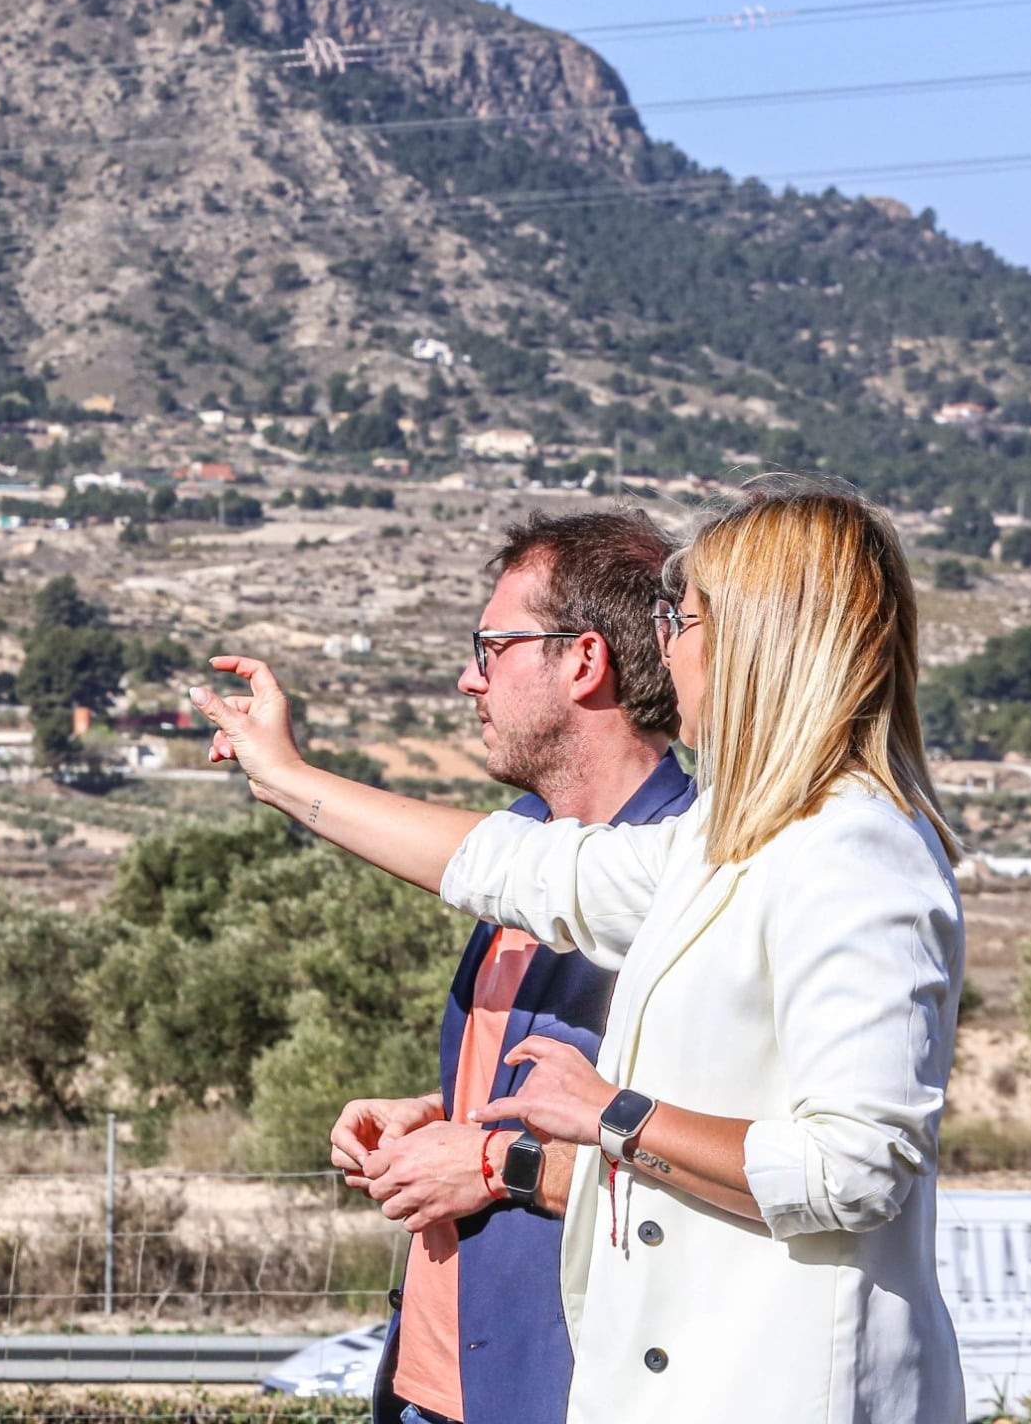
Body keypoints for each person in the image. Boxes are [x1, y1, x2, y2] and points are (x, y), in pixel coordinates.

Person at [192, 483, 963, 1422]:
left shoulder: (857, 852)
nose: (665, 645)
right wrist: (286, 780)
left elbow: (859, 1169)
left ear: (759, 639)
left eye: (682, 618)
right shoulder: (737, 841)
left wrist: (609, 1114)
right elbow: (508, 866)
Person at [342, 510, 695, 1424]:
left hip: (562, 1389)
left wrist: (501, 1162)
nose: (470, 679)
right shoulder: (524, 853)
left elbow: (725, 1184)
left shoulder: (691, 881)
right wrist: (431, 1120)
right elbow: (528, 1092)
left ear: (584, 660)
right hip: (429, 1388)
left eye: (492, 646)